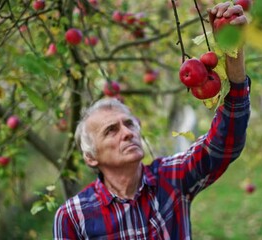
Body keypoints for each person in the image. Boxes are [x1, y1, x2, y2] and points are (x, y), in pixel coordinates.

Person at [53, 2, 251, 239]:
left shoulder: (171, 179)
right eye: (110, 131)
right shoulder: (73, 216)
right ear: (90, 156)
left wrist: (233, 53)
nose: (126, 133)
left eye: (129, 124)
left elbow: (224, 144)